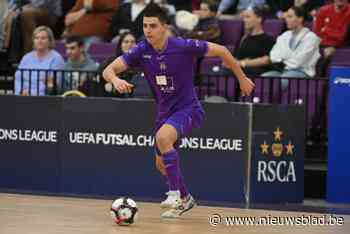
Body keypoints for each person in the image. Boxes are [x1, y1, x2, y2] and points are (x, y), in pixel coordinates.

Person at [103, 3, 254, 218]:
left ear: (164, 27)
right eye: (145, 26)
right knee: (161, 163)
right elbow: (109, 70)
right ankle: (185, 198)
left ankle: (174, 194)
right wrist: (115, 79)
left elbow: (222, 50)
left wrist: (242, 78)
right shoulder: (142, 49)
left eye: (153, 26)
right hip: (164, 113)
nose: (148, 30)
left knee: (163, 137)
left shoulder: (183, 46)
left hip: (189, 109)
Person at [262, 6, 320, 88]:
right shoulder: (284, 35)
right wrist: (289, 57)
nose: (286, 19)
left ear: (300, 19)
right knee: (263, 78)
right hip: (283, 71)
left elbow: (299, 62)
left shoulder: (311, 38)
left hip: (303, 73)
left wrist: (283, 58)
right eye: (286, 17)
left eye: (290, 17)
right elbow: (273, 56)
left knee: (284, 79)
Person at [15, 26, 64, 96]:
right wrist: (21, 90)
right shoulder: (26, 57)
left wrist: (34, 93)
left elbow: (54, 84)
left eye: (43, 38)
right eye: (36, 38)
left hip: (44, 98)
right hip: (24, 96)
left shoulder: (56, 58)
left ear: (50, 41)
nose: (39, 41)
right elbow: (18, 78)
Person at [235, 6, 275, 76]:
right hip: (241, 71)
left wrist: (243, 63)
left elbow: (266, 60)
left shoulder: (268, 39)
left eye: (247, 17)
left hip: (257, 72)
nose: (244, 20)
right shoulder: (243, 38)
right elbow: (236, 57)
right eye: (243, 17)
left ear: (259, 19)